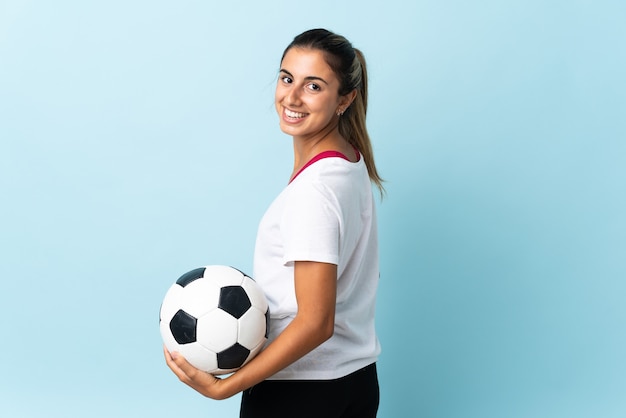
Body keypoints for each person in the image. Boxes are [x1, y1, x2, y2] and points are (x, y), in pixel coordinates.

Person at [164, 28, 385, 418]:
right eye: (287, 78)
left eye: (313, 86)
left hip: (301, 392)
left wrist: (225, 388)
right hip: (356, 380)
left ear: (345, 99)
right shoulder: (349, 162)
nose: (292, 97)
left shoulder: (314, 191)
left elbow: (316, 323)